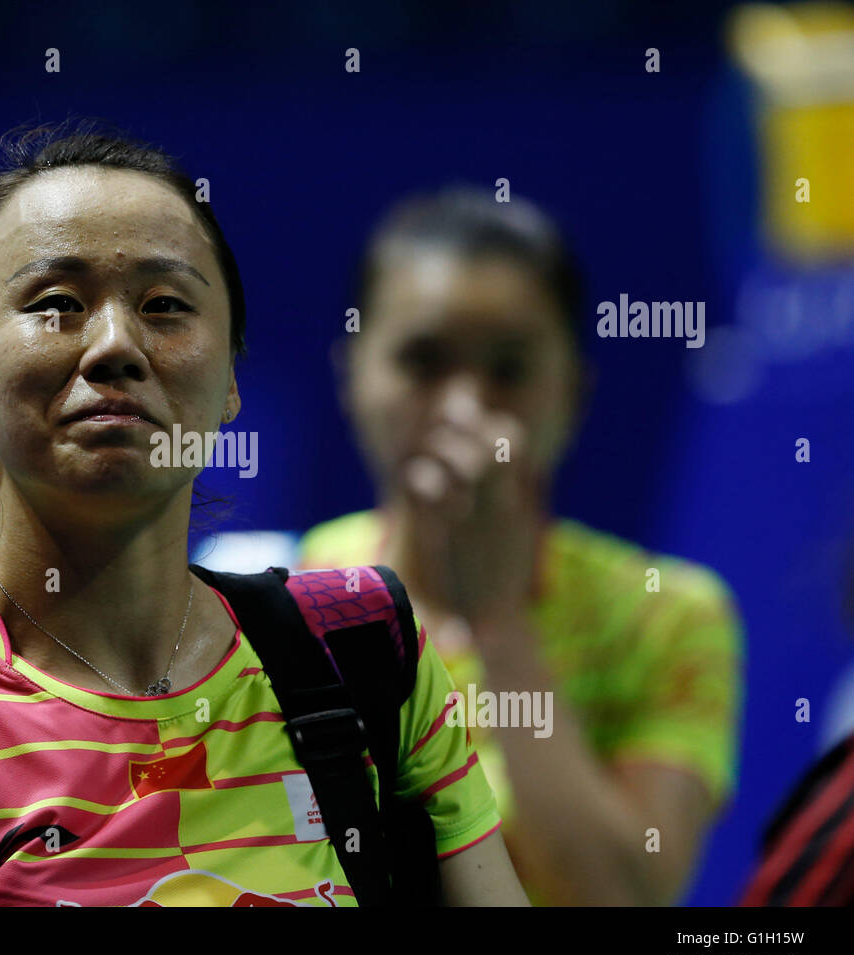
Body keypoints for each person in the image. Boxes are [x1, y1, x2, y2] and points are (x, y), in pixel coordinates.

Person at [0, 122, 528, 907]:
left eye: (165, 304)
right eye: (55, 303)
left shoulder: (363, 649)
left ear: (229, 384)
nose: (115, 343)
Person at [299, 188, 744, 905]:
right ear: (353, 376)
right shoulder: (286, 597)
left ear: (574, 390)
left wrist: (500, 619)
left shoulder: (672, 616)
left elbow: (622, 896)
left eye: (509, 370)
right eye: (423, 361)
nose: (466, 408)